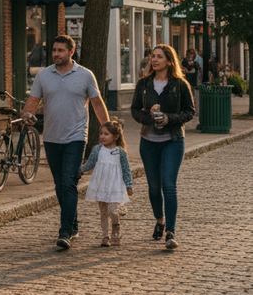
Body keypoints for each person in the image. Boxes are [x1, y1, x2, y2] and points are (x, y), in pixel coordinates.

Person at [23, 34, 110, 251]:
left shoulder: (85, 75)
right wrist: (27, 114)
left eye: (60, 50)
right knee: (60, 186)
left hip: (76, 136)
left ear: (71, 52)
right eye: (54, 50)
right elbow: (33, 101)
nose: (56, 54)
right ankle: (73, 223)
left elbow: (97, 104)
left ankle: (64, 232)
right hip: (52, 137)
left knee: (68, 182)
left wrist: (108, 129)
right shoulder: (44, 75)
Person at [130, 43, 195, 251]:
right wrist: (148, 118)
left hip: (173, 140)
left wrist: (169, 119)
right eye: (152, 56)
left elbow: (189, 111)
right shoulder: (144, 84)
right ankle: (159, 220)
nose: (154, 59)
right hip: (148, 142)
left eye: (159, 56)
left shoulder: (179, 84)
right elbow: (134, 110)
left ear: (169, 60)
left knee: (169, 185)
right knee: (153, 187)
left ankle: (171, 231)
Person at [79, 119, 134, 247]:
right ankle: (105, 236)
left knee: (113, 210)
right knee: (103, 211)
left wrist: (129, 185)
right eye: (101, 133)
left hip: (114, 185)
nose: (102, 136)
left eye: (106, 134)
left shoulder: (120, 152)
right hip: (101, 184)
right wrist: (79, 170)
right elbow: (89, 164)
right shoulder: (97, 149)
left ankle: (116, 226)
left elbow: (126, 169)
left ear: (115, 136)